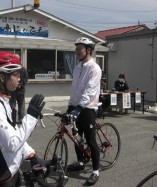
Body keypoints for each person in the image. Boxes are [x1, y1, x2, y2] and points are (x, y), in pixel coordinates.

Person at [0, 51, 45, 187]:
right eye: (16, 74)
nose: (19, 79)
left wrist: (30, 154)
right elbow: (12, 143)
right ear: (2, 77)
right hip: (0, 176)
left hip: (11, 170)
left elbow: (13, 131)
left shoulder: (3, 101)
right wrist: (31, 117)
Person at [66, 37, 101, 186]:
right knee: (76, 137)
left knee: (91, 140)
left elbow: (90, 90)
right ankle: (80, 162)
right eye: (76, 49)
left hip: (88, 108)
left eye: (79, 49)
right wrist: (70, 107)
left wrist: (79, 107)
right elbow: (74, 89)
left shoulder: (94, 68)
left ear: (88, 50)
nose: (76, 52)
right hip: (76, 107)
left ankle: (95, 171)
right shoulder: (77, 67)